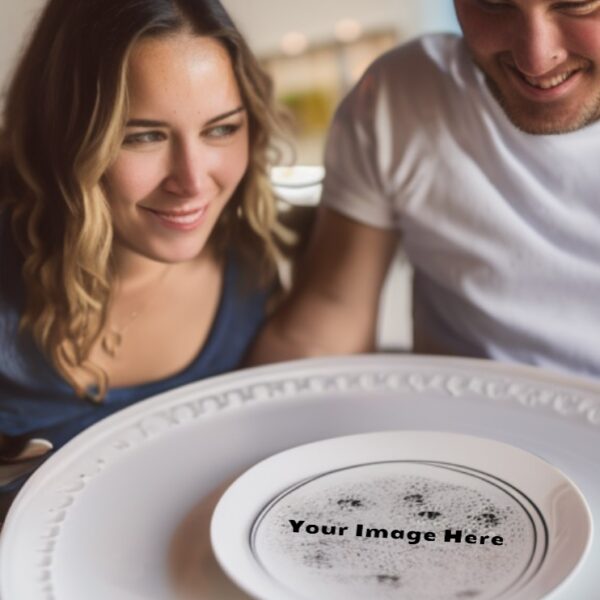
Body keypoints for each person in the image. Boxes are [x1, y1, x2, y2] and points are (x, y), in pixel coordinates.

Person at [0, 0, 289, 511]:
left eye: (220, 128)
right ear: (63, 135)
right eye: (144, 137)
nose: (193, 181)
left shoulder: (256, 269)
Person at [249, 0, 600, 379]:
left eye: (576, 4)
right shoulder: (401, 95)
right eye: (493, 4)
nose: (536, 59)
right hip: (454, 429)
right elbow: (331, 316)